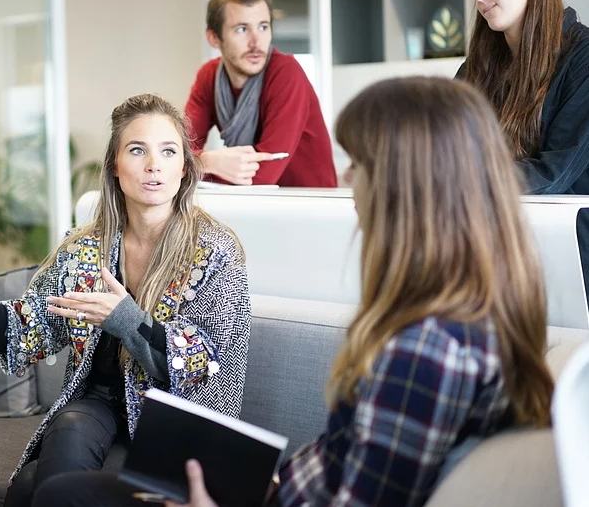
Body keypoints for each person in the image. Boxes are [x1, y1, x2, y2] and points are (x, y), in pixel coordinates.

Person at [39, 77, 556, 507]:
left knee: (62, 497)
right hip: (278, 489)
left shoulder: (426, 352)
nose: (349, 180)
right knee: (56, 490)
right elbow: (346, 463)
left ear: (409, 186)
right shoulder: (465, 317)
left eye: (360, 165)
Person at [0, 93, 252, 507]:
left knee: (33, 484)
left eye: (168, 151)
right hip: (98, 405)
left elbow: (207, 365)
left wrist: (126, 319)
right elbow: (26, 328)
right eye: (137, 150)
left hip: (176, 419)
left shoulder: (215, 250)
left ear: (184, 169)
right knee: (67, 427)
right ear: (115, 168)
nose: (154, 164)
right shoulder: (85, 248)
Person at [461, 0, 589, 298]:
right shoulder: (475, 69)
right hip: (494, 257)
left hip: (572, 262)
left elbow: (553, 173)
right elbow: (446, 152)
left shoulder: (583, 57)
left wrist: (456, 181)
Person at [184, 0, 336, 188]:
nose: (256, 42)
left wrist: (195, 166)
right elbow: (177, 152)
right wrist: (208, 161)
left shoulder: (286, 73)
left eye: (263, 27)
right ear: (214, 38)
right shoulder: (209, 77)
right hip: (253, 205)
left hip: (309, 207)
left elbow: (262, 176)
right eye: (241, 29)